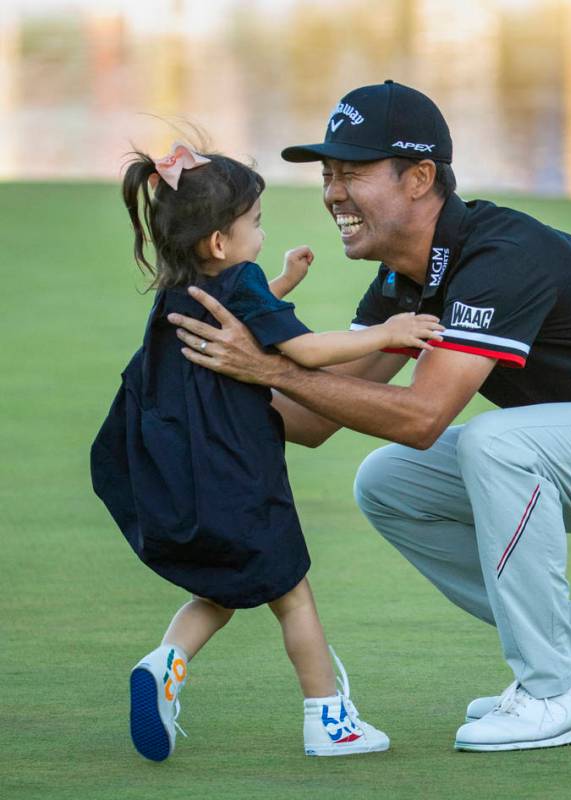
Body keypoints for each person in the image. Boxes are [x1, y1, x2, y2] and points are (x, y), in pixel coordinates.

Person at [167, 82, 571, 753]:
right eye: (328, 175)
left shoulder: (500, 254)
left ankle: (557, 691)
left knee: (493, 443)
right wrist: (210, 380)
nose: (334, 194)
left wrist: (265, 368)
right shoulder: (404, 279)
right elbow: (311, 419)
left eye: (354, 173)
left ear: (420, 178)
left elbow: (423, 416)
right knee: (391, 482)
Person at [90, 141, 443, 761]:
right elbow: (303, 352)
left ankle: (165, 662)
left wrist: (284, 281)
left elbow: (245, 315)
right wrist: (390, 332)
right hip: (239, 476)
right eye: (254, 222)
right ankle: (328, 722)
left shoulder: (181, 290)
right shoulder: (239, 282)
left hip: (185, 478)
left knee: (221, 592)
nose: (261, 230)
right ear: (220, 245)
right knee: (293, 592)